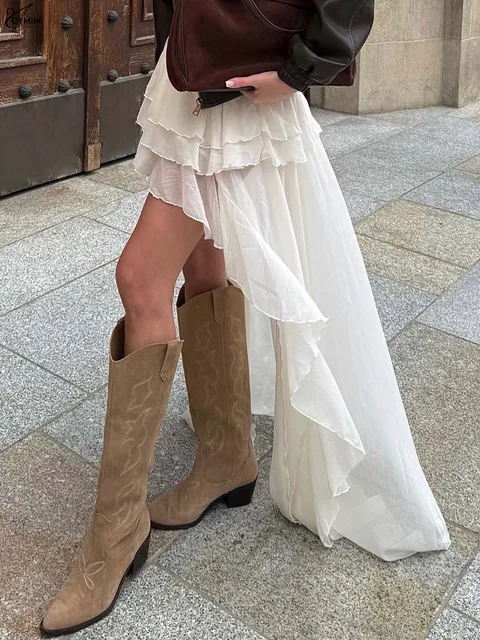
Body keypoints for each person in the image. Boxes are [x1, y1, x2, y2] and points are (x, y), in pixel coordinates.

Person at [40, 0, 451, 635]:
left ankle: (115, 534)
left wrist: (303, 68)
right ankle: (226, 456)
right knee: (205, 261)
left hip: (238, 82)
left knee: (140, 278)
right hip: (200, 66)